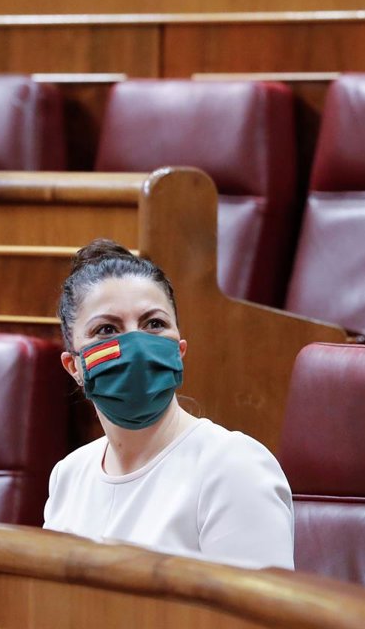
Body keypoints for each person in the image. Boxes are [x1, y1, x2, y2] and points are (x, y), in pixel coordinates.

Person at [43, 239, 295, 570]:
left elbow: (257, 602)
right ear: (74, 366)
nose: (136, 344)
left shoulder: (233, 467)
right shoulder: (68, 476)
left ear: (179, 350)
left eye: (154, 324)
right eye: (106, 329)